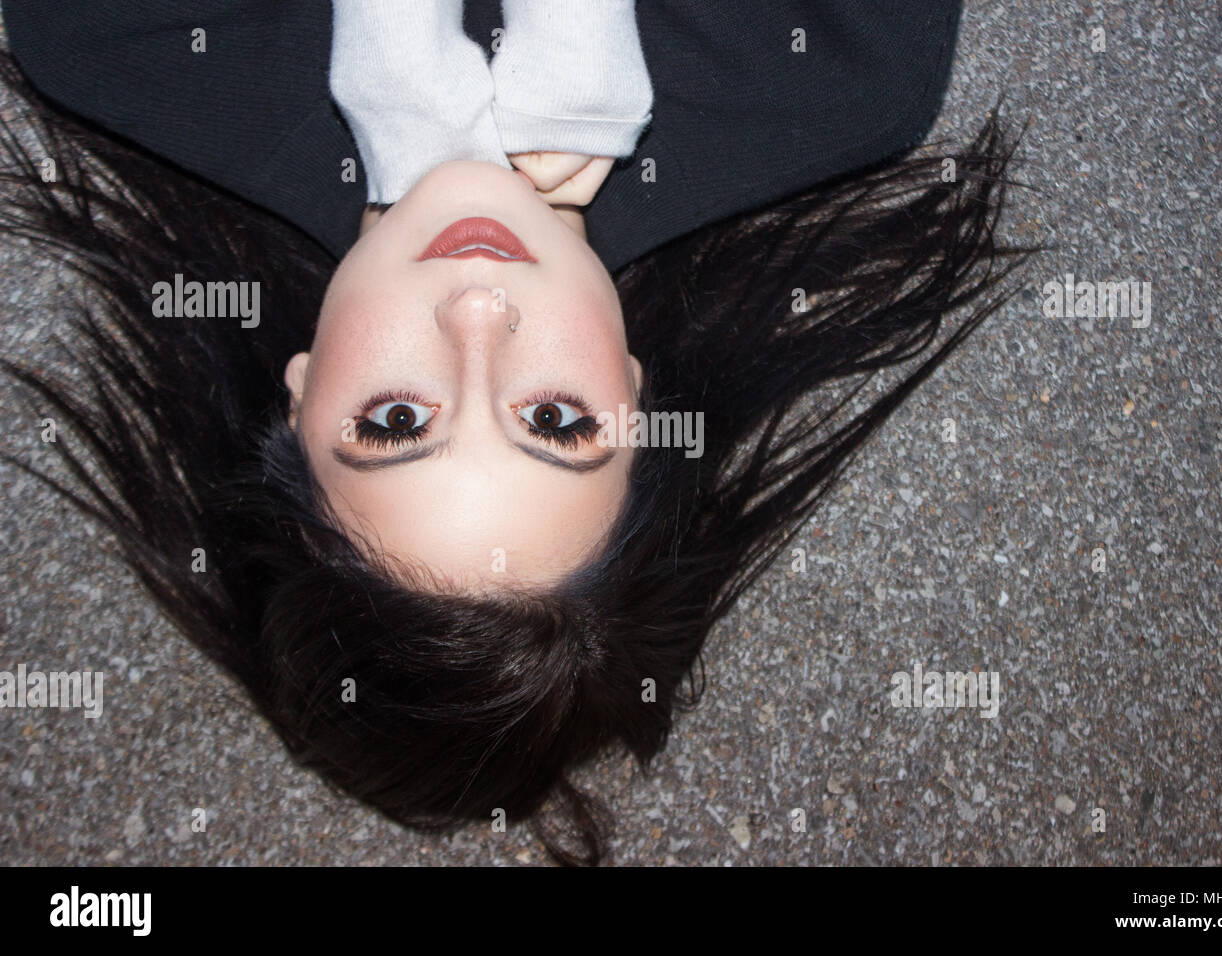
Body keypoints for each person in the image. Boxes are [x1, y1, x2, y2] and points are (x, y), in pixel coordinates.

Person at [0, 1, 1032, 864]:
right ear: (634, 395)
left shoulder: (124, 39)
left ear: (300, 399)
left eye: (398, 420)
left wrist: (387, 51)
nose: (479, 316)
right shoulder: (828, 67)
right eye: (555, 419)